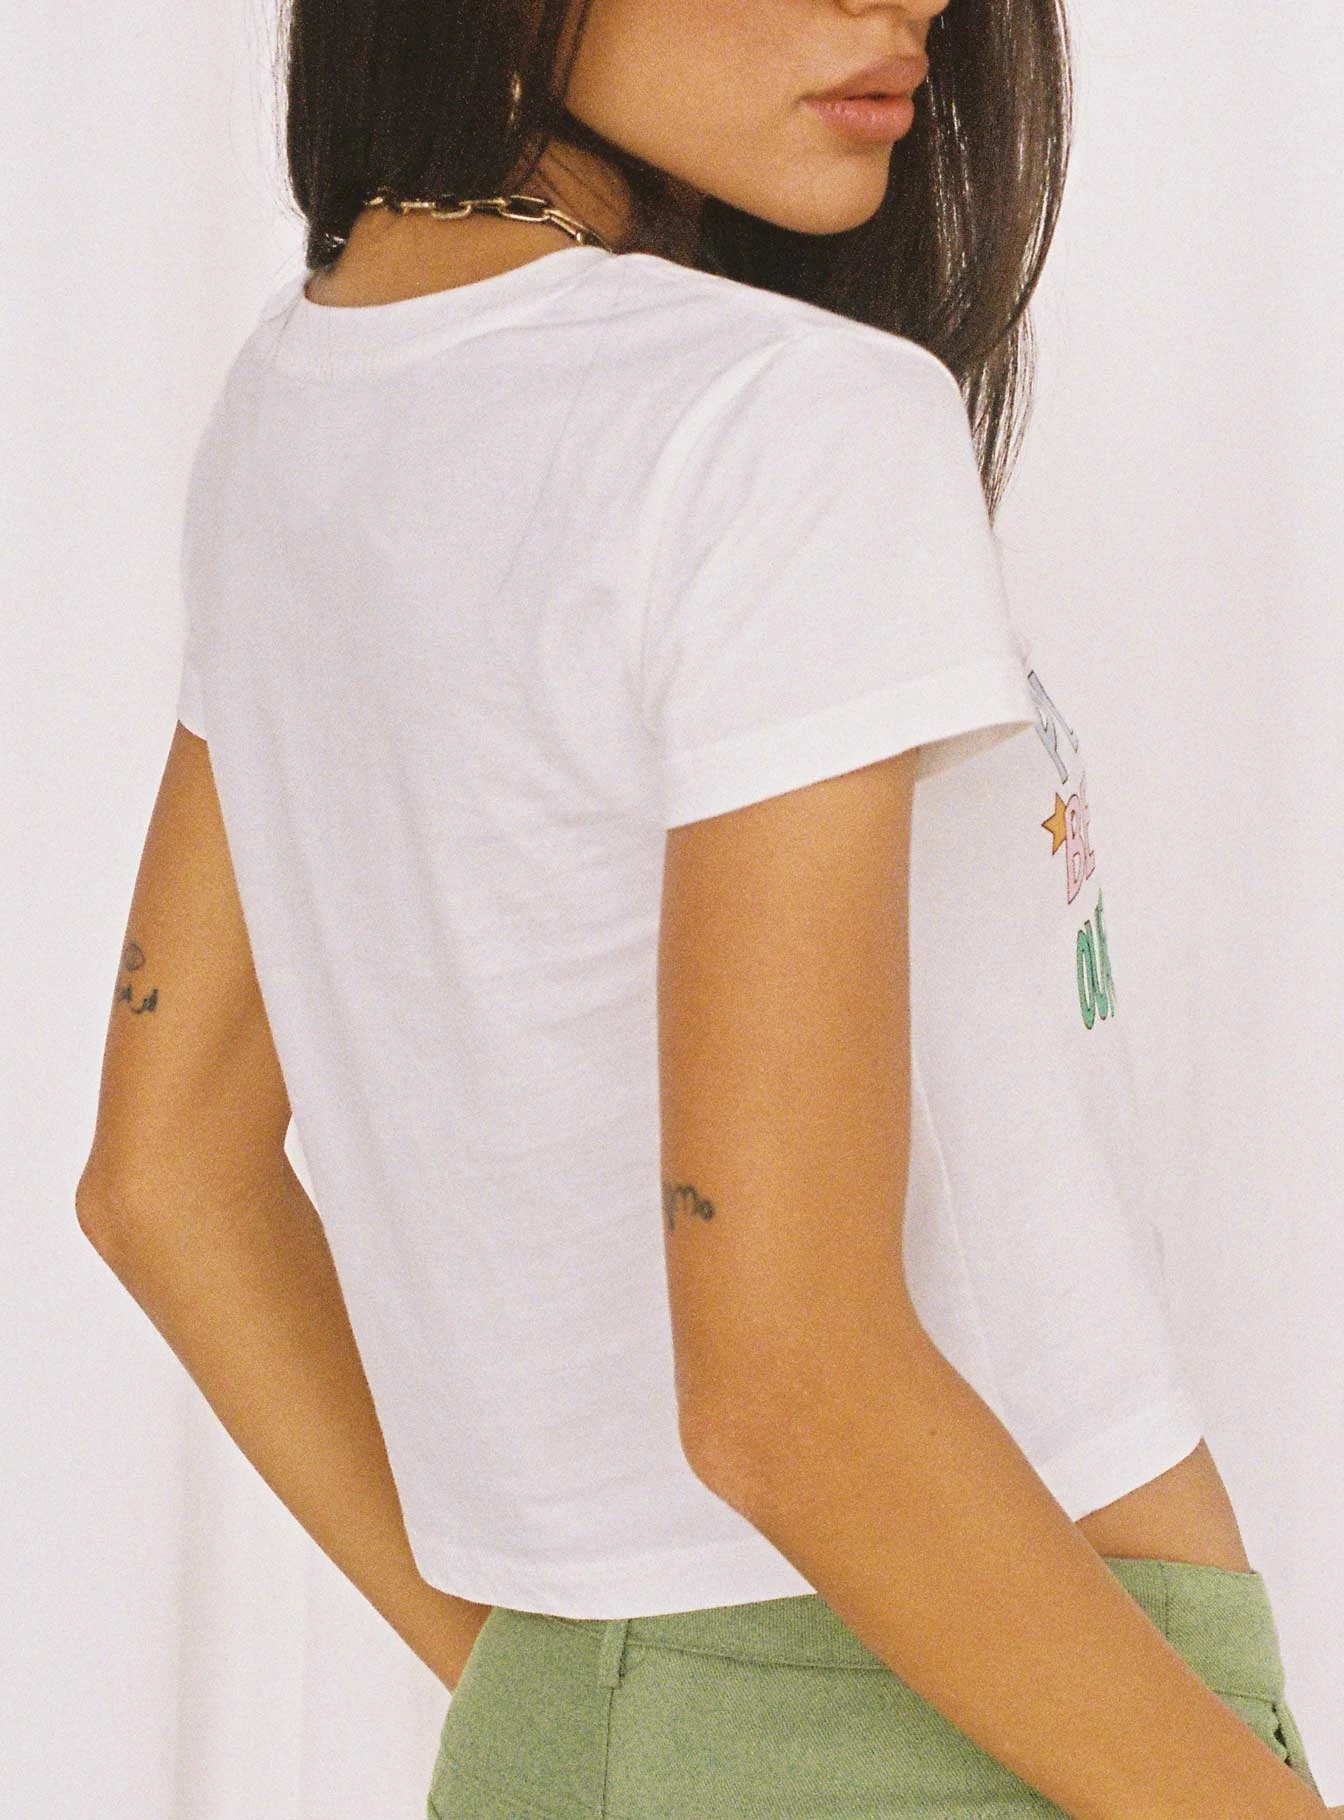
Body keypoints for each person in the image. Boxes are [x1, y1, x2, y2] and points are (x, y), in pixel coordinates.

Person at [76, 0, 1330, 1814]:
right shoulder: (790, 419)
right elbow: (788, 1382)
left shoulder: (302, 405)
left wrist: (579, 1707)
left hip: (569, 1744)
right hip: (998, 1741)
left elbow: (165, 1179)